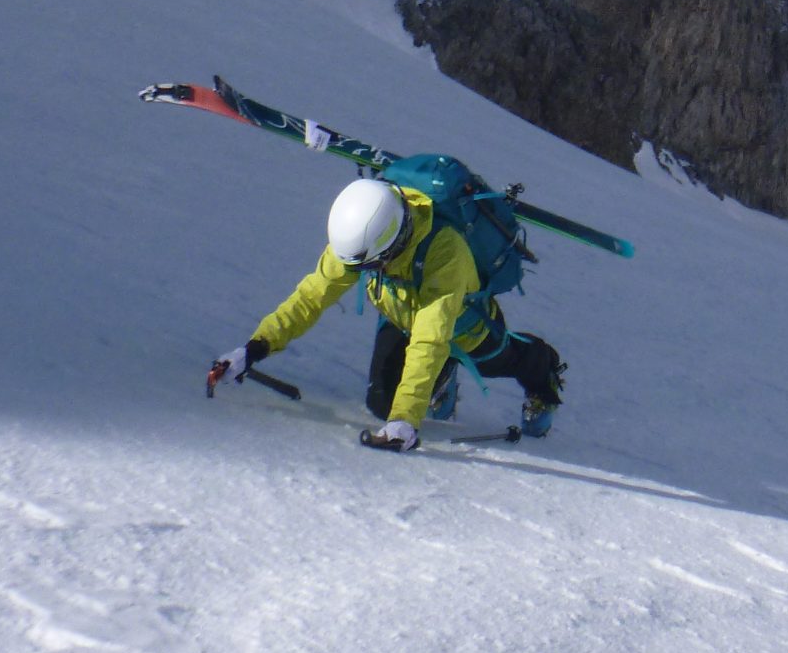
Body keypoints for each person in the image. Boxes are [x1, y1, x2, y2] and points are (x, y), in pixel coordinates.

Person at [214, 176, 564, 450]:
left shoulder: (446, 252)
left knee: (500, 358)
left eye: (371, 264)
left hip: (464, 324)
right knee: (382, 404)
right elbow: (311, 296)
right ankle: (439, 381)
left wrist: (405, 421)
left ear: (392, 245)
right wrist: (253, 349)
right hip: (401, 311)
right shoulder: (361, 237)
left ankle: (543, 371)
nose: (365, 270)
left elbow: (431, 338)